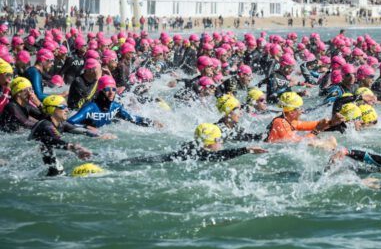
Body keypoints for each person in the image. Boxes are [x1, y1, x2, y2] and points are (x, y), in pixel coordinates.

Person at [127, 123, 268, 164]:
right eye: (219, 140)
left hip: (146, 160)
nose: (221, 143)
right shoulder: (200, 153)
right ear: (209, 142)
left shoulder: (192, 147)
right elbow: (219, 156)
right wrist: (246, 150)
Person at [28, 95, 97, 176]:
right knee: (58, 171)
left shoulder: (61, 123)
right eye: (62, 107)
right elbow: (54, 140)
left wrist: (99, 135)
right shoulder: (46, 125)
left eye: (66, 107)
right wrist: (75, 148)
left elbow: (79, 130)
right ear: (52, 109)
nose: (67, 110)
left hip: (44, 152)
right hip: (31, 157)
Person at [67, 75, 156, 128]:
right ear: (100, 91)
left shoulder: (115, 107)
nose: (111, 93)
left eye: (113, 89)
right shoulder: (90, 108)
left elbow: (133, 118)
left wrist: (152, 122)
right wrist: (86, 128)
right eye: (107, 89)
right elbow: (68, 123)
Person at [265, 92, 340, 148]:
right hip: (271, 150)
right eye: (300, 108)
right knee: (313, 143)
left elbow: (316, 124)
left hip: (280, 147)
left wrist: (332, 122)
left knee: (319, 140)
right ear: (291, 112)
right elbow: (296, 143)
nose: (302, 111)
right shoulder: (280, 122)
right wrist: (317, 130)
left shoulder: (291, 122)